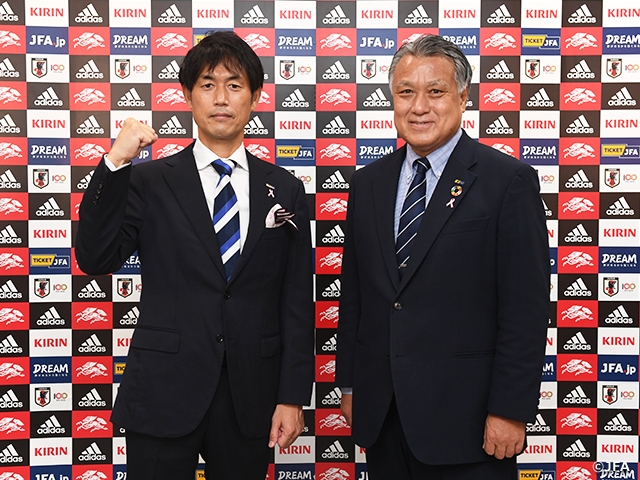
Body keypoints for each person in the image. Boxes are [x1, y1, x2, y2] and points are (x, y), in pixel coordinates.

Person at [76, 31, 314, 480]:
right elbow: (94, 257)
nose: (221, 97)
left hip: (251, 396)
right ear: (187, 95)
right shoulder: (148, 182)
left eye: (235, 84)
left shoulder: (284, 188)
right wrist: (114, 163)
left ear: (256, 97)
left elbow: (296, 300)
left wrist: (291, 396)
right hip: (164, 389)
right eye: (207, 84)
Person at [336, 34, 549, 479]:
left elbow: (525, 310)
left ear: (463, 96)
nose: (419, 107)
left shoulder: (507, 181)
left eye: (436, 91)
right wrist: (352, 386)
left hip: (469, 422)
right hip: (384, 416)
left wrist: (510, 410)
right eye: (406, 92)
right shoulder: (368, 184)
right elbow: (356, 296)